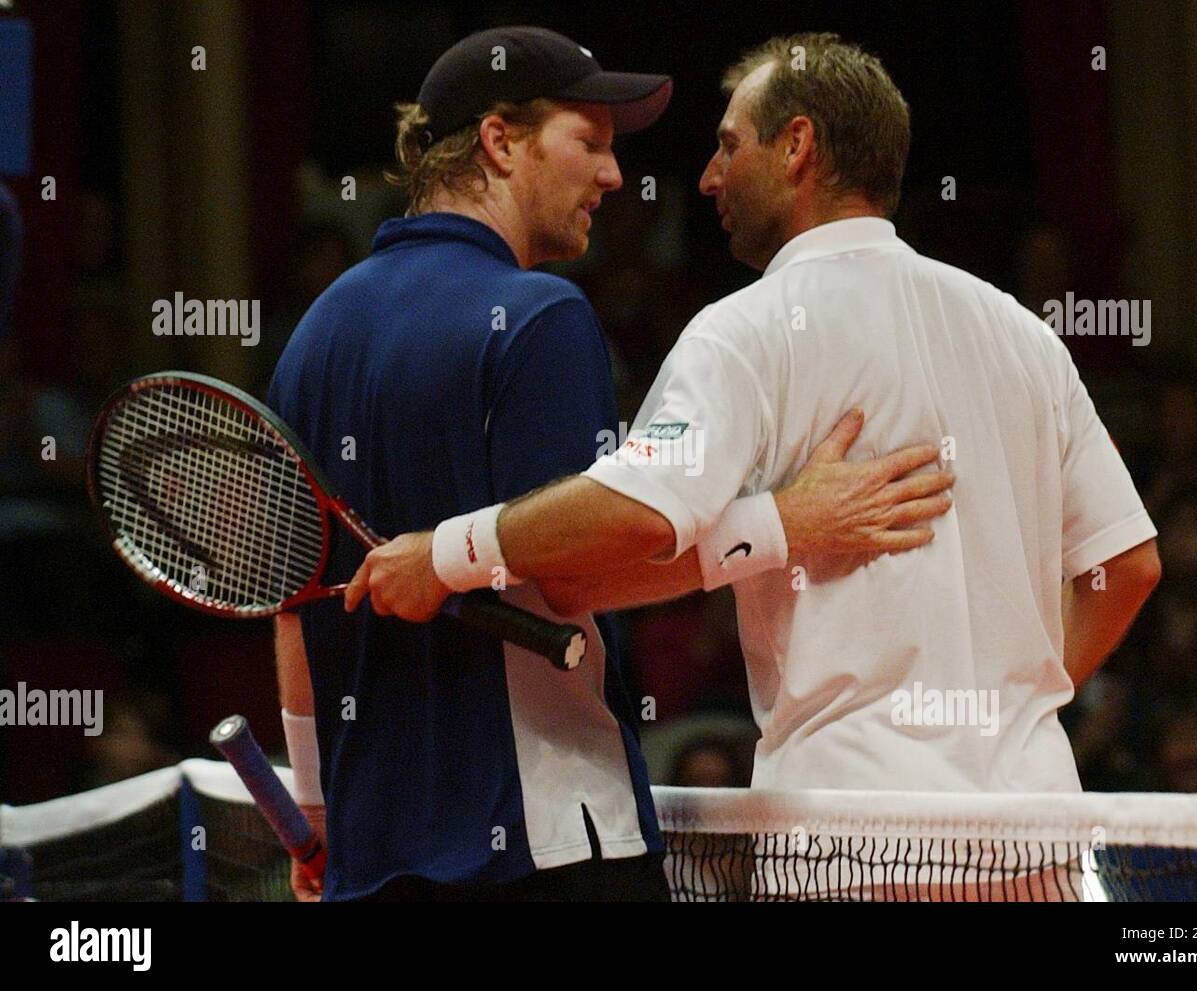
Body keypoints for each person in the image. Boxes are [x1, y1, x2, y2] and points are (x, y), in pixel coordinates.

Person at [349, 32, 1162, 800]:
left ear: (797, 146)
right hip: (1034, 827)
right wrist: (1008, 710)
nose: (707, 177)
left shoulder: (747, 328)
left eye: (730, 145)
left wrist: (447, 553)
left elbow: (617, 534)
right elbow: (1128, 567)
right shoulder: (1023, 332)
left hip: (847, 835)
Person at [270, 27, 954, 903]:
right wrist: (788, 521)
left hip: (372, 861)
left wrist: (318, 813)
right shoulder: (537, 314)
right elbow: (581, 574)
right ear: (499, 141)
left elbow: (293, 612)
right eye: (588, 143)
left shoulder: (312, 339)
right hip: (542, 847)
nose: (613, 176)